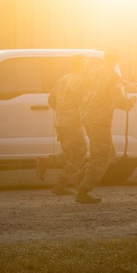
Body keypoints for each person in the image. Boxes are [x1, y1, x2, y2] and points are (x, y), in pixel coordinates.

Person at [75, 47, 136, 204]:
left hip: (87, 117)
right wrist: (130, 102)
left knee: (108, 153)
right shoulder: (113, 76)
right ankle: (83, 190)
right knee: (101, 157)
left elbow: (81, 91)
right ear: (116, 60)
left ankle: (80, 177)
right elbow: (118, 101)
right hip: (100, 120)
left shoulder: (92, 73)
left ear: (104, 59)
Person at [44, 54, 88, 196]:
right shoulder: (82, 81)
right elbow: (89, 101)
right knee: (79, 152)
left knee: (69, 152)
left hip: (60, 122)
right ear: (82, 65)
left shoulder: (62, 79)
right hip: (73, 122)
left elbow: (51, 99)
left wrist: (62, 111)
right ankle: (61, 184)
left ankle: (46, 162)